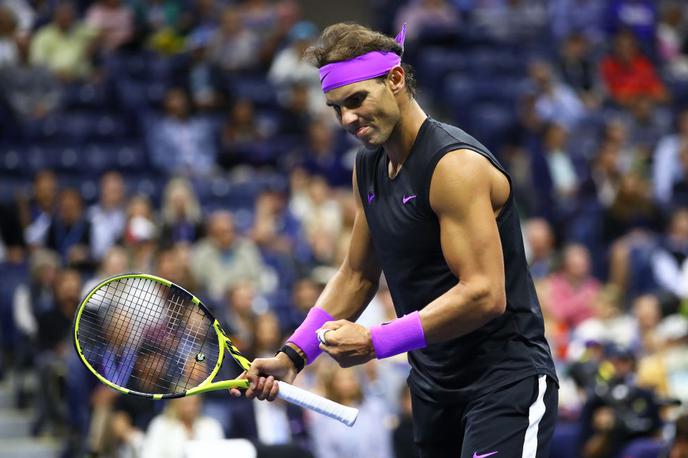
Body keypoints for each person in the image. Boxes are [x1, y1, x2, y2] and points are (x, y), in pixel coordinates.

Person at [231, 23, 558, 457]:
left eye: (356, 100)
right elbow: (357, 275)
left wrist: (374, 341)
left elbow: (484, 294)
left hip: (505, 380)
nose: (346, 119)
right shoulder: (367, 167)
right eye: (336, 109)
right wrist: (293, 356)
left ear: (396, 79)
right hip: (433, 387)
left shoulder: (455, 166)